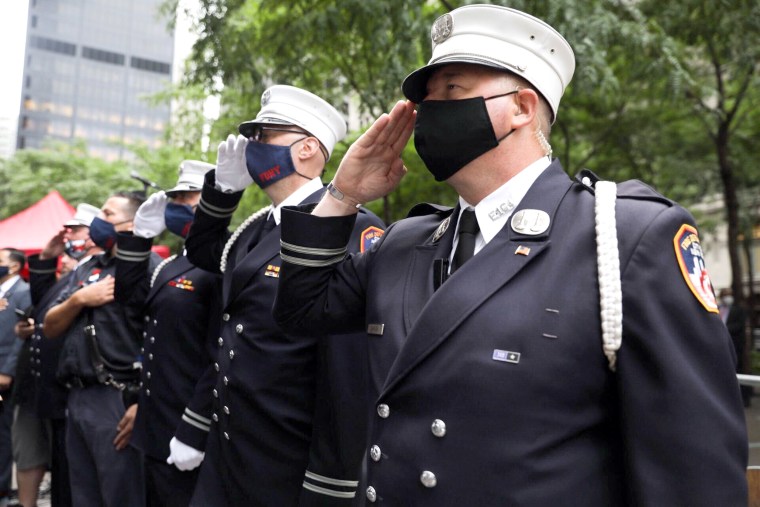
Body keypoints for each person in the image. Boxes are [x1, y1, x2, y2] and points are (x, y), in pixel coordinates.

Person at [272, 4, 748, 505]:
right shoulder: (406, 242)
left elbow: (694, 472)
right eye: (426, 97)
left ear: (521, 107)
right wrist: (342, 196)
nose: (426, 112)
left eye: (451, 91)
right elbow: (301, 309)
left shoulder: (623, 237)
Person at [184, 85, 385, 506]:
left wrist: (330, 483)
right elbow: (204, 255)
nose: (252, 147)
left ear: (307, 148)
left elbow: (347, 371)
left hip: (286, 466)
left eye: (265, 136)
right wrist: (222, 191)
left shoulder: (348, 228)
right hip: (230, 453)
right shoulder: (259, 227)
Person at [114, 160, 222, 507]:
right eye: (173, 199)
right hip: (154, 421)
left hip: (189, 421)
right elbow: (129, 302)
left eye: (187, 198)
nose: (176, 207)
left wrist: (195, 429)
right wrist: (139, 239)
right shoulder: (171, 264)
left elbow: (219, 354)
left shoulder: (223, 260)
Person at [44, 191, 157, 507]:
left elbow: (160, 339)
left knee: (120, 495)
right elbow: (50, 326)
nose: (98, 221)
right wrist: (80, 299)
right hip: (78, 396)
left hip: (118, 398)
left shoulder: (150, 266)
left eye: (107, 214)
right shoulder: (87, 267)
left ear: (131, 224)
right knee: (84, 495)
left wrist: (142, 401)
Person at [16, 203, 101, 507]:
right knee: (63, 471)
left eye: (76, 229)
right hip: (53, 389)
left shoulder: (96, 272)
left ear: (95, 233)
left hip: (73, 388)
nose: (68, 234)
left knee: (71, 476)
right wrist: (47, 257)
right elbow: (43, 307)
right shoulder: (78, 271)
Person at [0, 249, 31, 505]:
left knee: (3, 433)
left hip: (5, 376)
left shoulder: (23, 292)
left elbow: (22, 337)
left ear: (13, 267)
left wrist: (7, 371)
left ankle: (2, 489)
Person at [719, 287, 750, 406]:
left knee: (740, 371)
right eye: (725, 294)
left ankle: (744, 400)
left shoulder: (739, 310)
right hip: (721, 347)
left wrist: (723, 330)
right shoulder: (717, 309)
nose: (728, 297)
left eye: (729, 294)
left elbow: (739, 325)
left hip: (736, 346)